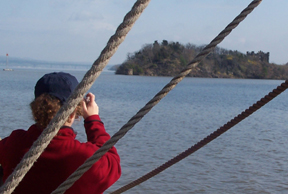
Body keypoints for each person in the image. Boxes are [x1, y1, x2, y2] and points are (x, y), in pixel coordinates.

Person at [0, 72, 121, 193]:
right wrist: (93, 119)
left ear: (36, 108)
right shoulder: (84, 156)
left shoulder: (14, 143)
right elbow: (113, 164)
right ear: (74, 112)